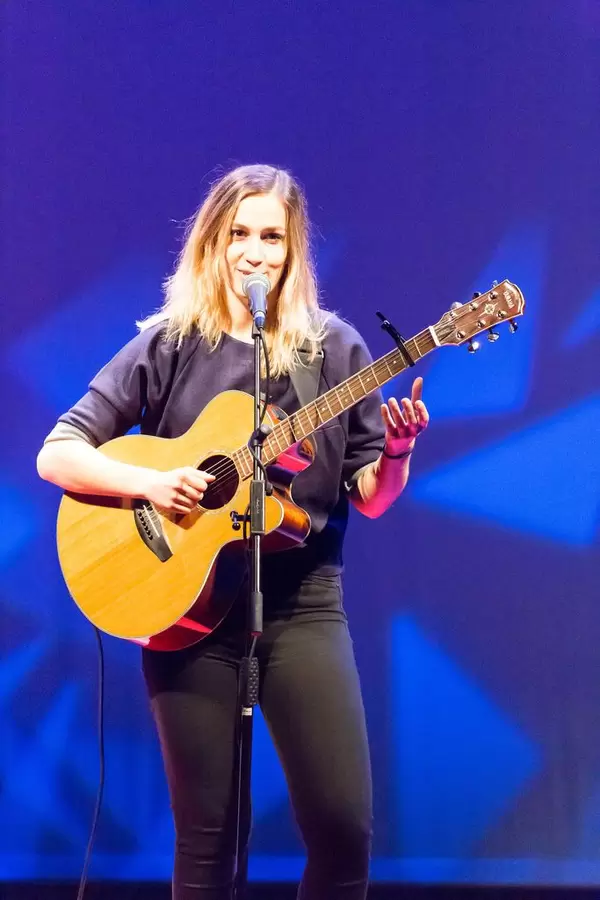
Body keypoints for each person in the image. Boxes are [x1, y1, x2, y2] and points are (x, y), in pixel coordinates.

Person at [37, 164, 429, 900]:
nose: (255, 252)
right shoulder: (171, 340)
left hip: (303, 604)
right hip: (186, 615)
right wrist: (154, 482)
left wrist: (399, 453)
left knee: (344, 830)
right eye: (240, 234)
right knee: (210, 841)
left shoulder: (335, 349)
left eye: (272, 237)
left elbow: (372, 499)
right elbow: (57, 452)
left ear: (294, 249)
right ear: (214, 243)